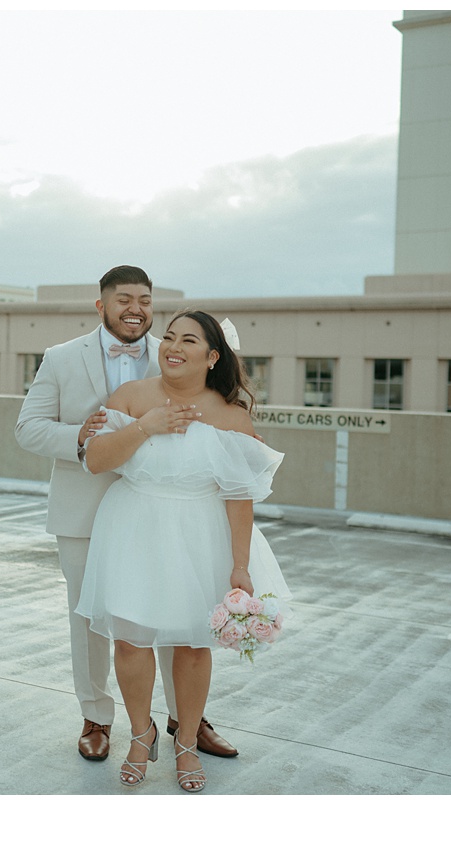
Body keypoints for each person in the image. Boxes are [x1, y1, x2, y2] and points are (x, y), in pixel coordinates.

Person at [15, 267, 240, 763]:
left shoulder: (178, 351)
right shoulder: (60, 358)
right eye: (123, 300)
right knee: (91, 622)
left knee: (176, 614)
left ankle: (187, 720)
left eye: (144, 299)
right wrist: (81, 435)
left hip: (160, 512)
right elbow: (27, 429)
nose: (134, 308)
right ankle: (97, 717)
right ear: (101, 305)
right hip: (82, 512)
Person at [75, 310, 289, 792]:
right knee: (130, 641)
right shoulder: (133, 397)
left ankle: (187, 743)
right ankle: (140, 733)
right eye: (168, 336)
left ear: (213, 357)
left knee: (193, 646)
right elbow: (96, 462)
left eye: (188, 340)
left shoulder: (232, 416)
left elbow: (239, 496)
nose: (172, 346)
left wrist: (240, 566)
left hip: (199, 534)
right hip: (133, 527)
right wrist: (146, 426)